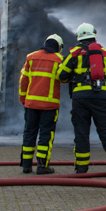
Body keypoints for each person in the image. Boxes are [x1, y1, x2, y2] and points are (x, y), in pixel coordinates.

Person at [57, 23, 106, 178]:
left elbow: (60, 75)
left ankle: (81, 170)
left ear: (78, 37)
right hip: (101, 98)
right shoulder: (105, 54)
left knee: (81, 134)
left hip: (80, 99)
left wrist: (74, 77)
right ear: (94, 35)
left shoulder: (74, 54)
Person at [19, 34, 64, 175]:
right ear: (59, 47)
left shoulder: (31, 57)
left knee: (29, 133)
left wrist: (23, 99)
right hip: (49, 106)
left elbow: (23, 80)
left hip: (31, 104)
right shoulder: (59, 60)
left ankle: (26, 166)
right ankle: (42, 165)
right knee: (46, 135)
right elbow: (65, 78)